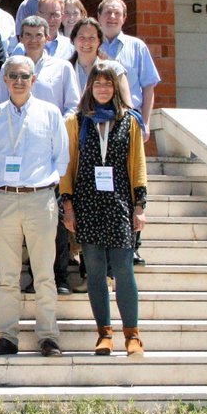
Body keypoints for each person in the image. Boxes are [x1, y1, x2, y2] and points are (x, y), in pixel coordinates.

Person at [0, 55, 69, 358]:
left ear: (33, 80)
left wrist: (43, 184)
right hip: (4, 198)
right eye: (13, 75)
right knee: (7, 275)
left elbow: (62, 157)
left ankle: (47, 336)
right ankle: (7, 335)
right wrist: (5, 184)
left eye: (24, 76)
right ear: (5, 80)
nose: (19, 81)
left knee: (44, 273)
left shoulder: (50, 113)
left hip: (39, 198)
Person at [60, 61, 149, 358]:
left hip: (119, 205)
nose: (102, 88)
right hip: (87, 204)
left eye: (107, 83)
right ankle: (104, 334)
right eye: (97, 83)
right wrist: (68, 205)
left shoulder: (130, 121)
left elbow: (137, 165)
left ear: (115, 88)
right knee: (95, 272)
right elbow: (68, 166)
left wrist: (140, 206)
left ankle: (132, 334)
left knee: (124, 270)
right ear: (89, 87)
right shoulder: (76, 121)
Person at [98, 0, 161, 142]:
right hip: (96, 120)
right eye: (107, 12)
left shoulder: (137, 47)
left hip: (129, 119)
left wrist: (145, 123)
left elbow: (148, 88)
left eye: (117, 13)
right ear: (99, 16)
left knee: (128, 165)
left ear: (124, 18)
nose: (112, 17)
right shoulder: (90, 45)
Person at [0, 16, 80, 116]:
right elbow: (2, 103)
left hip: (52, 129)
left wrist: (60, 126)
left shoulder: (63, 68)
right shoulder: (8, 68)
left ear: (47, 38)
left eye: (38, 35)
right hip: (17, 129)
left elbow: (73, 106)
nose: (33, 40)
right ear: (21, 39)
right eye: (28, 35)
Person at [10, 0, 74, 60]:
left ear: (62, 17)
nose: (51, 19)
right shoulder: (23, 47)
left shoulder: (69, 47)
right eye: (46, 14)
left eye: (56, 14)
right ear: (37, 15)